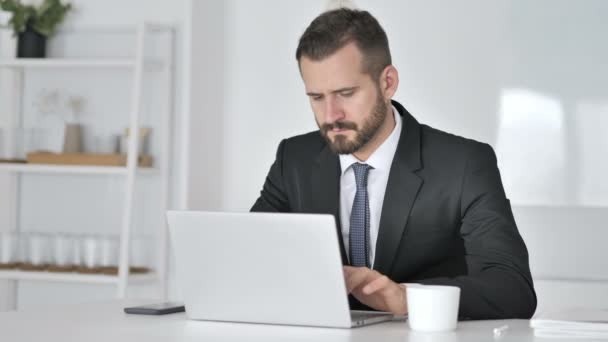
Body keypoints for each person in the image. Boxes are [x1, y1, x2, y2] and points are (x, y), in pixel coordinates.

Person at [251, 8, 536, 320]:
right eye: (317, 97)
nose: (331, 115)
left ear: (388, 82)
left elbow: (512, 289)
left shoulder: (464, 164)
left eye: (346, 93)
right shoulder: (293, 159)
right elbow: (251, 259)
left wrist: (406, 299)